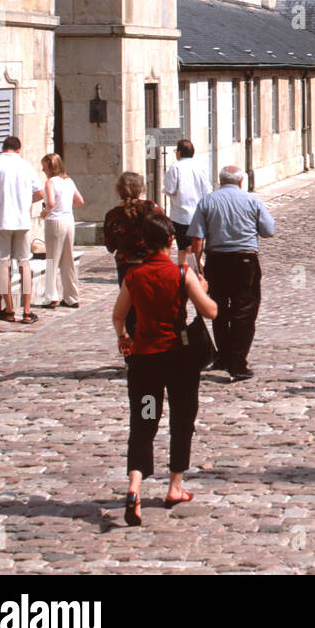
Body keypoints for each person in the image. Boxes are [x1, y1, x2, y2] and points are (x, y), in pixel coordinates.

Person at [113, 212, 217, 526]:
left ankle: (134, 487)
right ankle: (174, 487)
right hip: (179, 360)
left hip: (145, 361)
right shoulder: (181, 273)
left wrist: (123, 338)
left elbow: (118, 316)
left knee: (143, 424)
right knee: (182, 420)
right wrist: (203, 286)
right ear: (170, 242)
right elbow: (209, 311)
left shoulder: (134, 276)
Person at [187, 165, 275, 382]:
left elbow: (197, 238)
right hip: (245, 260)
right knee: (244, 310)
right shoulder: (252, 200)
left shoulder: (207, 201)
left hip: (216, 260)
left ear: (220, 180)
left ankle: (224, 356)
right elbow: (268, 231)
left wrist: (198, 263)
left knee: (219, 309)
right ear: (241, 181)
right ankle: (237, 361)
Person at [0, 136, 45, 323]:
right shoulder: (26, 166)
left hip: (0, 220)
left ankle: (9, 310)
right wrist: (25, 202)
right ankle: (26, 311)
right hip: (22, 220)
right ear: (18, 149)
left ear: (3, 148)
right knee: (24, 264)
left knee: (3, 264)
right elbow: (40, 193)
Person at [104, 173, 163, 341]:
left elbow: (110, 246)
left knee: (130, 311)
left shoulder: (113, 215)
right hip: (150, 263)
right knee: (152, 307)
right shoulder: (152, 208)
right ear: (141, 188)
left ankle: (135, 355)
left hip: (126, 265)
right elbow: (164, 232)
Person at [39, 153, 84, 309]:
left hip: (55, 222)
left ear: (50, 167)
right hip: (68, 221)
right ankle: (72, 296)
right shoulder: (69, 181)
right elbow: (80, 201)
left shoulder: (50, 182)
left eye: (44, 166)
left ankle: (51, 297)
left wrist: (44, 212)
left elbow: (50, 203)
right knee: (68, 260)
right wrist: (65, 206)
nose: (42, 169)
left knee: (52, 259)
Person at [163, 140, 211, 272]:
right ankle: (192, 269)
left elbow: (170, 189)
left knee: (184, 247)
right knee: (194, 244)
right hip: (198, 213)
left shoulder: (175, 168)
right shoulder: (200, 167)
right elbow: (207, 191)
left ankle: (187, 271)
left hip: (181, 214)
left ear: (179, 152)